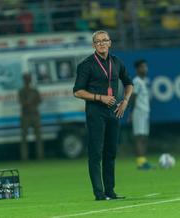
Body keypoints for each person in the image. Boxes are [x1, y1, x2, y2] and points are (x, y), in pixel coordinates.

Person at [73, 30, 133, 201]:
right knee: (95, 153)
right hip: (95, 112)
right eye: (98, 41)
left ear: (110, 42)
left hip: (113, 111)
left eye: (104, 40)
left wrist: (125, 101)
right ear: (93, 45)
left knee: (111, 153)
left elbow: (129, 83)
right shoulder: (86, 65)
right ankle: (99, 194)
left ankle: (110, 191)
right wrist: (100, 97)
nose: (101, 43)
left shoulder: (116, 62)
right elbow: (77, 92)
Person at [129, 59, 152, 170]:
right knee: (139, 137)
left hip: (144, 112)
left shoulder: (143, 81)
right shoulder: (137, 81)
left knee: (144, 137)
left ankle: (144, 161)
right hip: (138, 112)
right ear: (138, 69)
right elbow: (133, 97)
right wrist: (131, 113)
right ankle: (140, 163)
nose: (145, 69)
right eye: (142, 67)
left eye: (145, 67)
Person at [18, 74, 44, 160]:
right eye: (26, 79)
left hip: (35, 115)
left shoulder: (34, 91)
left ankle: (40, 156)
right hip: (25, 116)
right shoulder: (21, 91)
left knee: (38, 137)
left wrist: (31, 103)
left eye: (29, 79)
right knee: (24, 137)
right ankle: (24, 157)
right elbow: (21, 103)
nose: (28, 80)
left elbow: (39, 100)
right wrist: (28, 103)